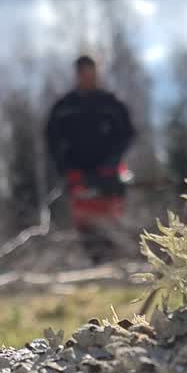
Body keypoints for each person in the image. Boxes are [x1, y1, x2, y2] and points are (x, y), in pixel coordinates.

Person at [44, 55, 137, 265]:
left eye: (91, 73)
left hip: (109, 172)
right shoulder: (64, 107)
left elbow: (127, 134)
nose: (88, 78)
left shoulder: (111, 103)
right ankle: (98, 260)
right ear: (77, 75)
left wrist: (112, 163)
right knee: (84, 218)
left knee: (110, 215)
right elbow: (51, 139)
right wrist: (64, 168)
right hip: (77, 172)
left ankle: (120, 257)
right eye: (83, 73)